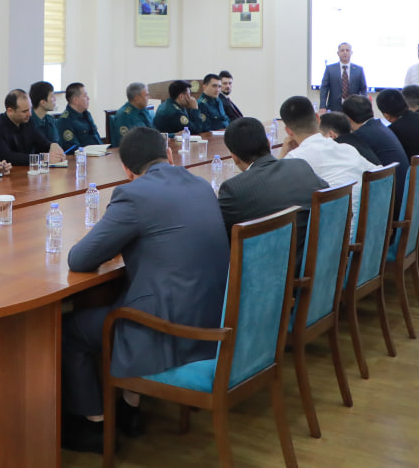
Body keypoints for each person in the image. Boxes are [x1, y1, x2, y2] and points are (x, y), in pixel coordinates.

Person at [61, 127, 229, 452]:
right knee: (134, 295)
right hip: (212, 316)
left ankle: (94, 425)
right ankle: (130, 411)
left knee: (72, 330)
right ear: (170, 155)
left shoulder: (133, 195)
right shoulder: (201, 185)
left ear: (127, 170)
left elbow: (80, 259)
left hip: (168, 328)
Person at [218, 116, 327, 250]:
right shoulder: (300, 165)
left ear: (234, 157)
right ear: (269, 143)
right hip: (317, 256)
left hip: (266, 261)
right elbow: (328, 199)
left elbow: (217, 236)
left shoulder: (234, 189)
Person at [278, 95, 381, 236]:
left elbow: (270, 190)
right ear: (318, 118)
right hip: (367, 236)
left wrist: (283, 153)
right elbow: (381, 175)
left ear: (288, 131)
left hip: (331, 242)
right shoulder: (347, 149)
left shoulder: (294, 159)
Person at [342, 94, 409, 188]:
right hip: (402, 186)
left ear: (348, 119)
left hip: (390, 190)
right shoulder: (379, 126)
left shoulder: (361, 136)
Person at [0, 89, 65, 166]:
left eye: (30, 109)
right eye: (24, 111)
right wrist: (42, 158)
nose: (30, 114)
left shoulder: (27, 122)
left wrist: (52, 145)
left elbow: (42, 143)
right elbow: (7, 157)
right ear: (10, 111)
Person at [319, 42, 367, 112]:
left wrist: (364, 106)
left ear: (351, 53)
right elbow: (324, 88)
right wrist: (322, 106)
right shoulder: (330, 69)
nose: (345, 52)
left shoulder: (358, 70)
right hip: (334, 108)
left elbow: (363, 89)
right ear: (338, 53)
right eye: (342, 50)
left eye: (347, 50)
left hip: (354, 108)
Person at [58, 82, 102, 152]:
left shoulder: (87, 114)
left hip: (98, 154)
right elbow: (73, 149)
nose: (88, 98)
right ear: (75, 100)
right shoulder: (65, 121)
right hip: (82, 157)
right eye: (85, 96)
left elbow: (97, 140)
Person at [110, 82, 153, 148]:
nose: (149, 97)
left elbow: (154, 131)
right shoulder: (124, 116)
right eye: (146, 95)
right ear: (137, 98)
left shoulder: (144, 110)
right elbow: (127, 142)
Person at [29, 80, 61, 146]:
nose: (55, 99)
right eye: (52, 96)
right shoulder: (27, 123)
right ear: (43, 102)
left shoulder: (51, 121)